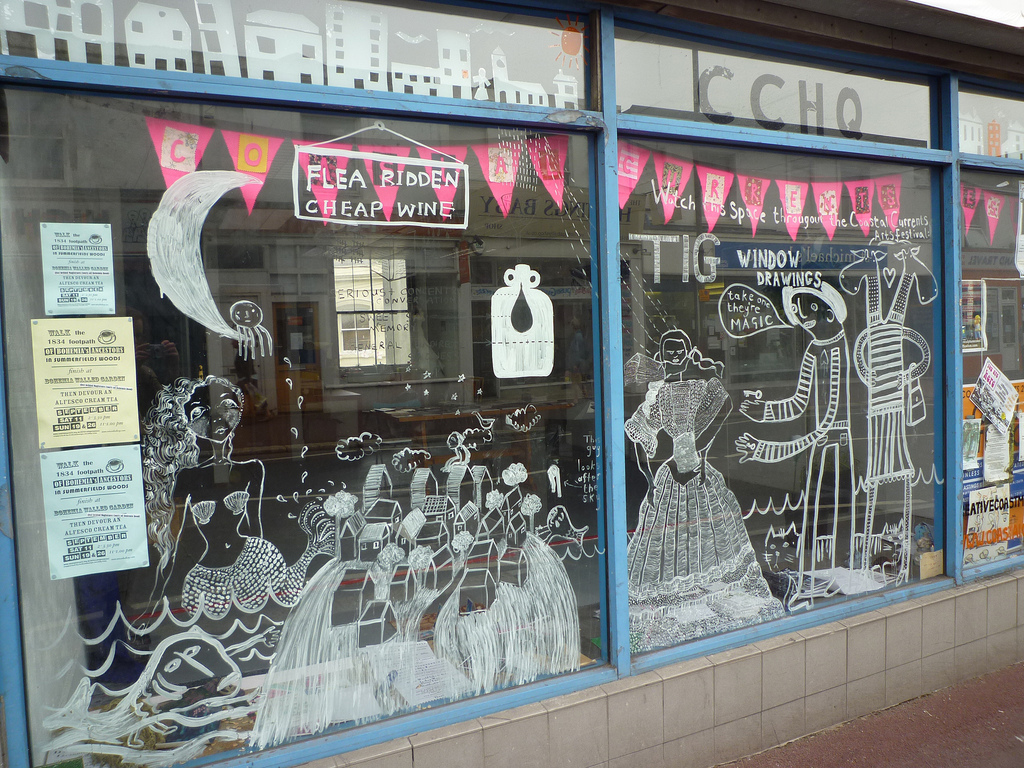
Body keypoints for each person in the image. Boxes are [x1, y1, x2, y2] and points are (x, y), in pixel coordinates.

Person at [625, 330, 782, 649]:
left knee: (706, 536)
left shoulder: (700, 387)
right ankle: (681, 604)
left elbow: (724, 405)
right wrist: (651, 477)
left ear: (686, 354)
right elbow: (640, 438)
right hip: (672, 473)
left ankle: (702, 602)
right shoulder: (658, 394)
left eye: (678, 352)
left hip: (697, 471)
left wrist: (701, 448)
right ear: (662, 356)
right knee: (671, 540)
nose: (673, 358)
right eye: (668, 352)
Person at [142, 376, 331, 619]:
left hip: (254, 557)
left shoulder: (253, 468)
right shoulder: (189, 477)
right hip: (209, 570)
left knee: (264, 611)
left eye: (227, 407)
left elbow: (256, 526)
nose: (217, 419)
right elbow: (181, 539)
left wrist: (263, 566)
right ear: (188, 421)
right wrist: (159, 593)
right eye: (200, 412)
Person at [736, 284, 856, 608]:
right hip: (819, 445)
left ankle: (829, 577)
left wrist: (765, 449)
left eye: (809, 314)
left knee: (828, 512)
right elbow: (799, 402)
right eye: (802, 318)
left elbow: (826, 418)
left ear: (827, 312)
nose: (805, 322)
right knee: (813, 512)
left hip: (834, 444)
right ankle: (816, 578)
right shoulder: (814, 350)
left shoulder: (837, 348)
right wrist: (763, 411)